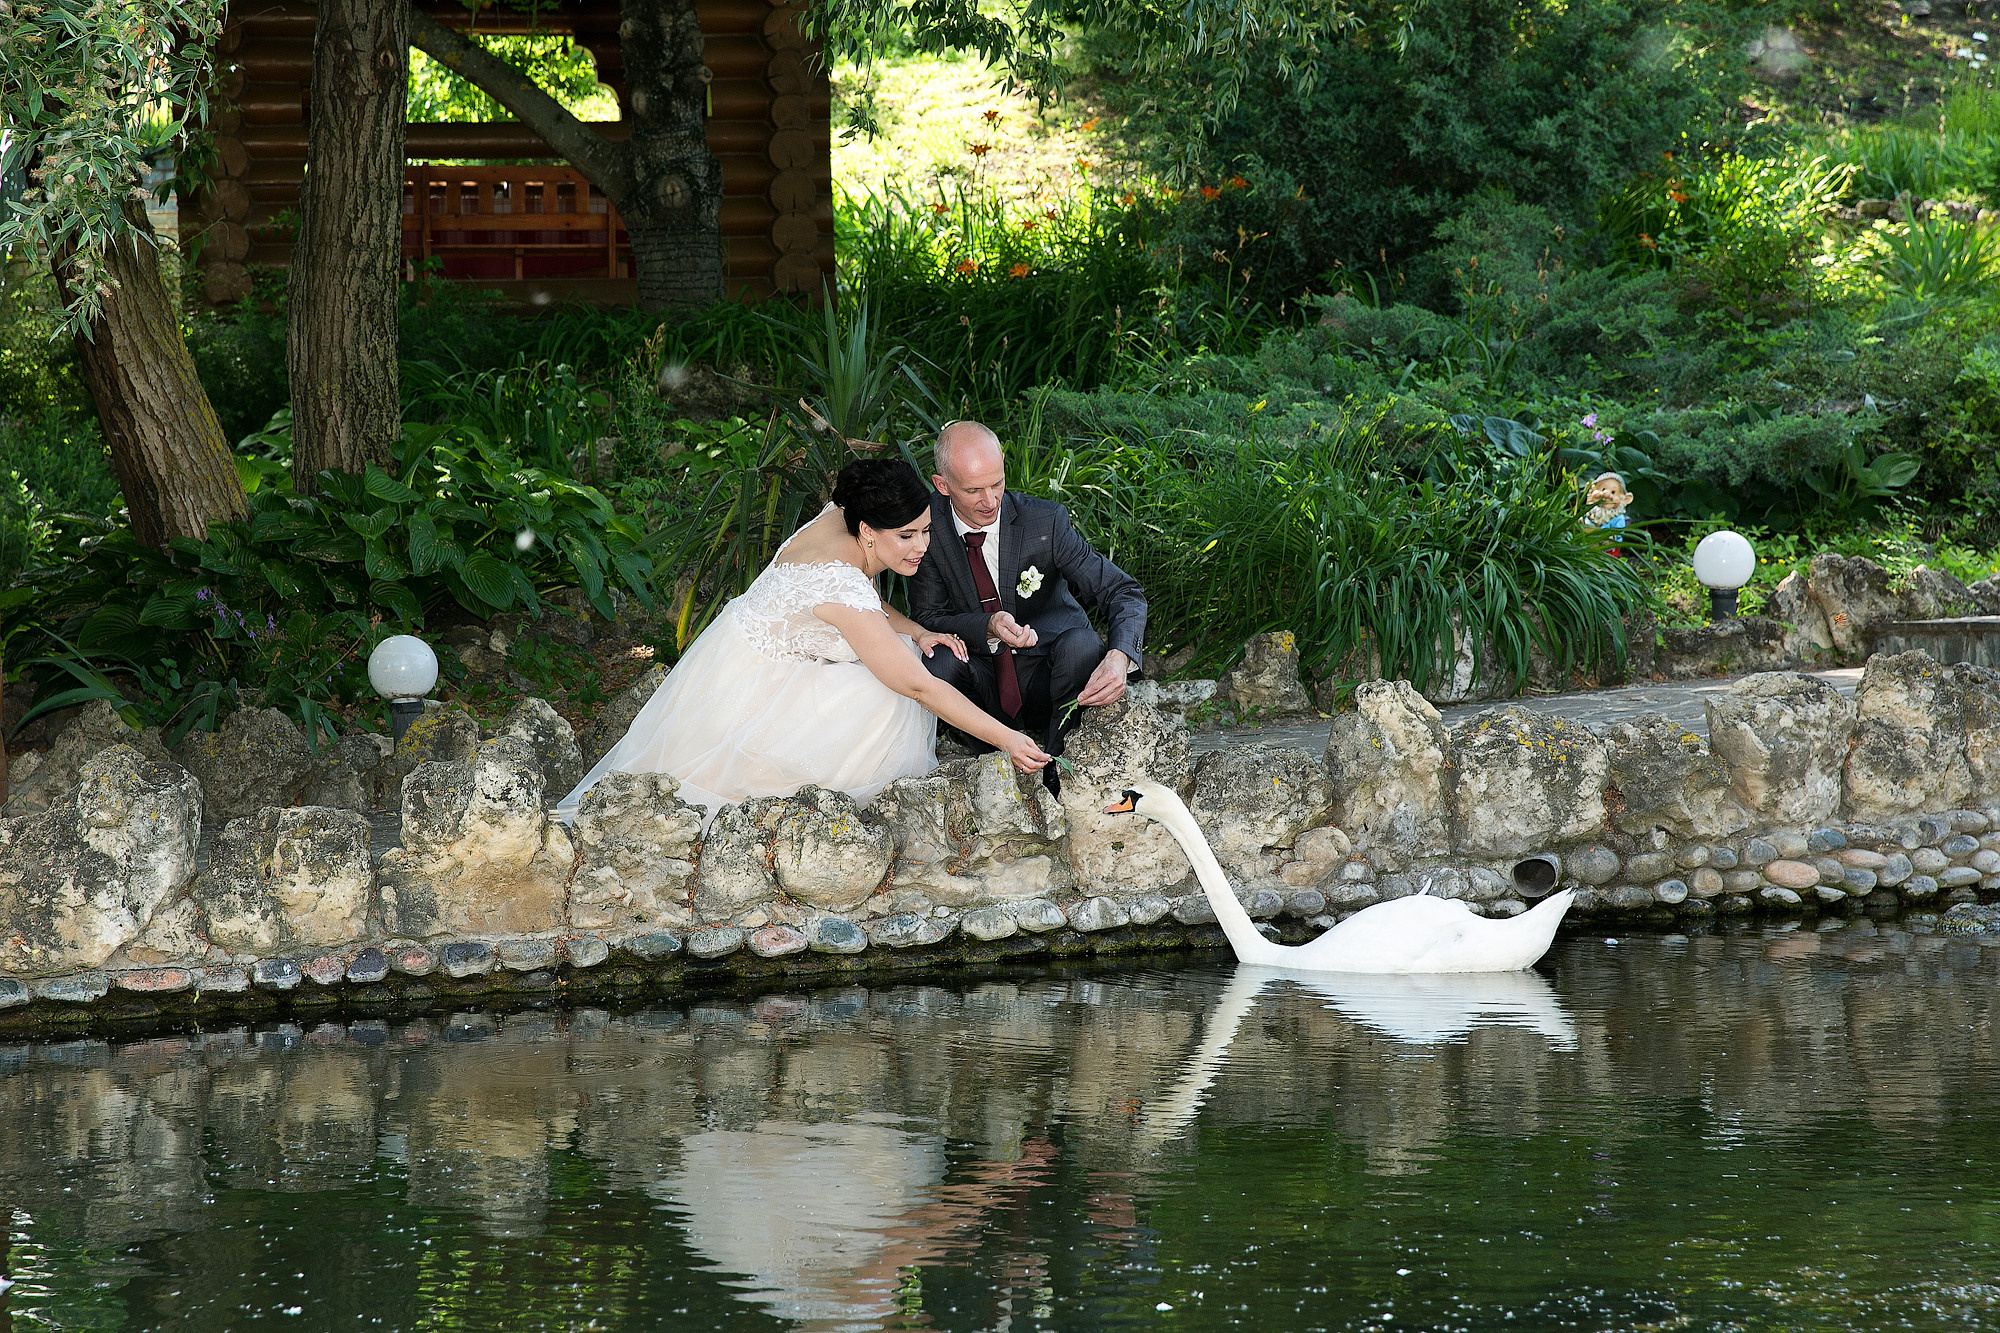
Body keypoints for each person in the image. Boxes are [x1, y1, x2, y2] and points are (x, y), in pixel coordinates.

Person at [555, 459, 1051, 824]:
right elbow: (918, 686)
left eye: (925, 530)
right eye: (906, 536)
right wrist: (1007, 739)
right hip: (750, 692)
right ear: (867, 531)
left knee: (904, 647)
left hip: (733, 656)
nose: (921, 546)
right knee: (893, 693)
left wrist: (921, 630)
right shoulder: (838, 586)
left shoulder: (841, 515)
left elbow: (867, 600)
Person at [908, 421, 1147, 781]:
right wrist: (986, 626)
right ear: (942, 486)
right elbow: (927, 617)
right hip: (983, 681)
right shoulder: (926, 529)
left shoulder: (1045, 521)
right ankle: (992, 758)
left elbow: (1122, 591)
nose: (990, 501)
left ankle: (1058, 767)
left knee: (1083, 644)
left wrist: (1119, 658)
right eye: (974, 490)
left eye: (997, 483)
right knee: (935, 660)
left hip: (1052, 675)